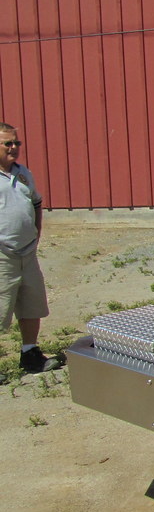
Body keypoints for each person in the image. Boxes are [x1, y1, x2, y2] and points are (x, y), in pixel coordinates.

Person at [0, 122, 60, 377]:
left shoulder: (23, 172)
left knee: (31, 303)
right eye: (8, 143)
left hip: (26, 251)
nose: (14, 147)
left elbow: (36, 202)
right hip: (3, 253)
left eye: (17, 142)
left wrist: (36, 233)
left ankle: (30, 352)